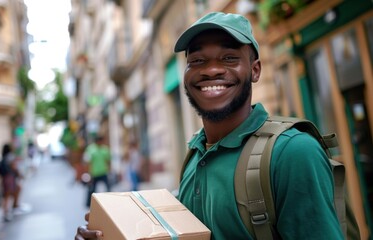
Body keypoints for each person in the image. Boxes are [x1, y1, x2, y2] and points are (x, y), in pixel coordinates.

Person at [75, 12, 343, 239]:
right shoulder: (196, 153)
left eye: (228, 58)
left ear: (255, 70)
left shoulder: (293, 153)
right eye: (197, 61)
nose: (211, 70)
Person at [84, 135, 111, 207]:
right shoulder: (90, 149)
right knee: (92, 189)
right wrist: (88, 173)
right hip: (94, 173)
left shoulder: (105, 149)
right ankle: (89, 203)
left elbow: (108, 160)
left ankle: (110, 201)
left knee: (108, 187)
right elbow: (87, 162)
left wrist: (109, 170)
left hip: (103, 172)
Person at [0, 143, 22, 222]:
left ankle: (5, 213)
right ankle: (13, 209)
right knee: (9, 195)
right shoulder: (10, 156)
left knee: (6, 196)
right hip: (10, 178)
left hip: (5, 179)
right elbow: (14, 166)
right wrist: (18, 174)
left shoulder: (3, 157)